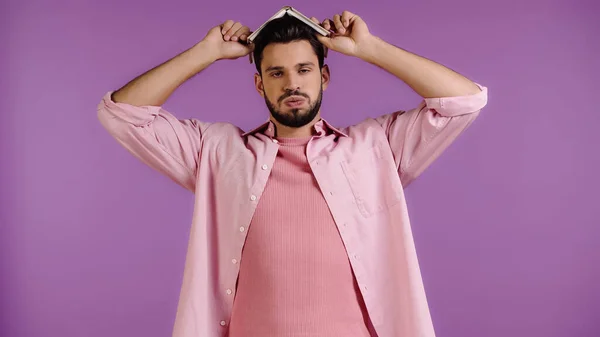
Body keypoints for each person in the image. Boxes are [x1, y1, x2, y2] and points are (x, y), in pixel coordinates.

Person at [97, 9, 487, 337]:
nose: (292, 83)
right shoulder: (217, 153)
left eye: (304, 69)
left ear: (324, 77)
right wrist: (205, 52)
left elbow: (464, 101)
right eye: (277, 73)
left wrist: (370, 48)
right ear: (259, 83)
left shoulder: (377, 148)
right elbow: (122, 116)